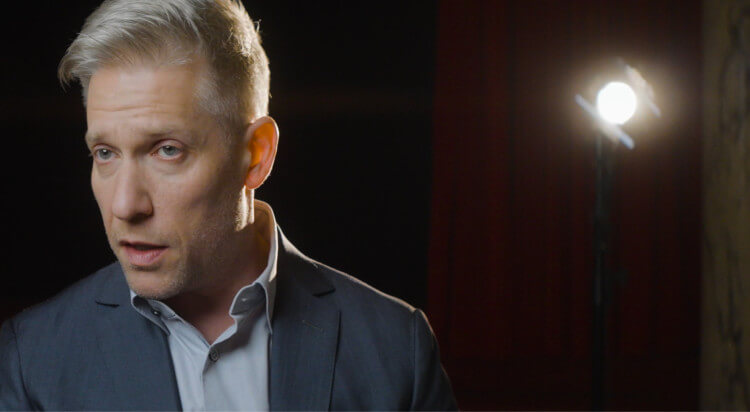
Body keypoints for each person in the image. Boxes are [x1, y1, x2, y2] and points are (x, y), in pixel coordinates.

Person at [0, 0, 456, 410]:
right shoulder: (31, 360)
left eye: (167, 150)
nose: (125, 205)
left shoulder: (396, 350)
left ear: (256, 155)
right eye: (105, 153)